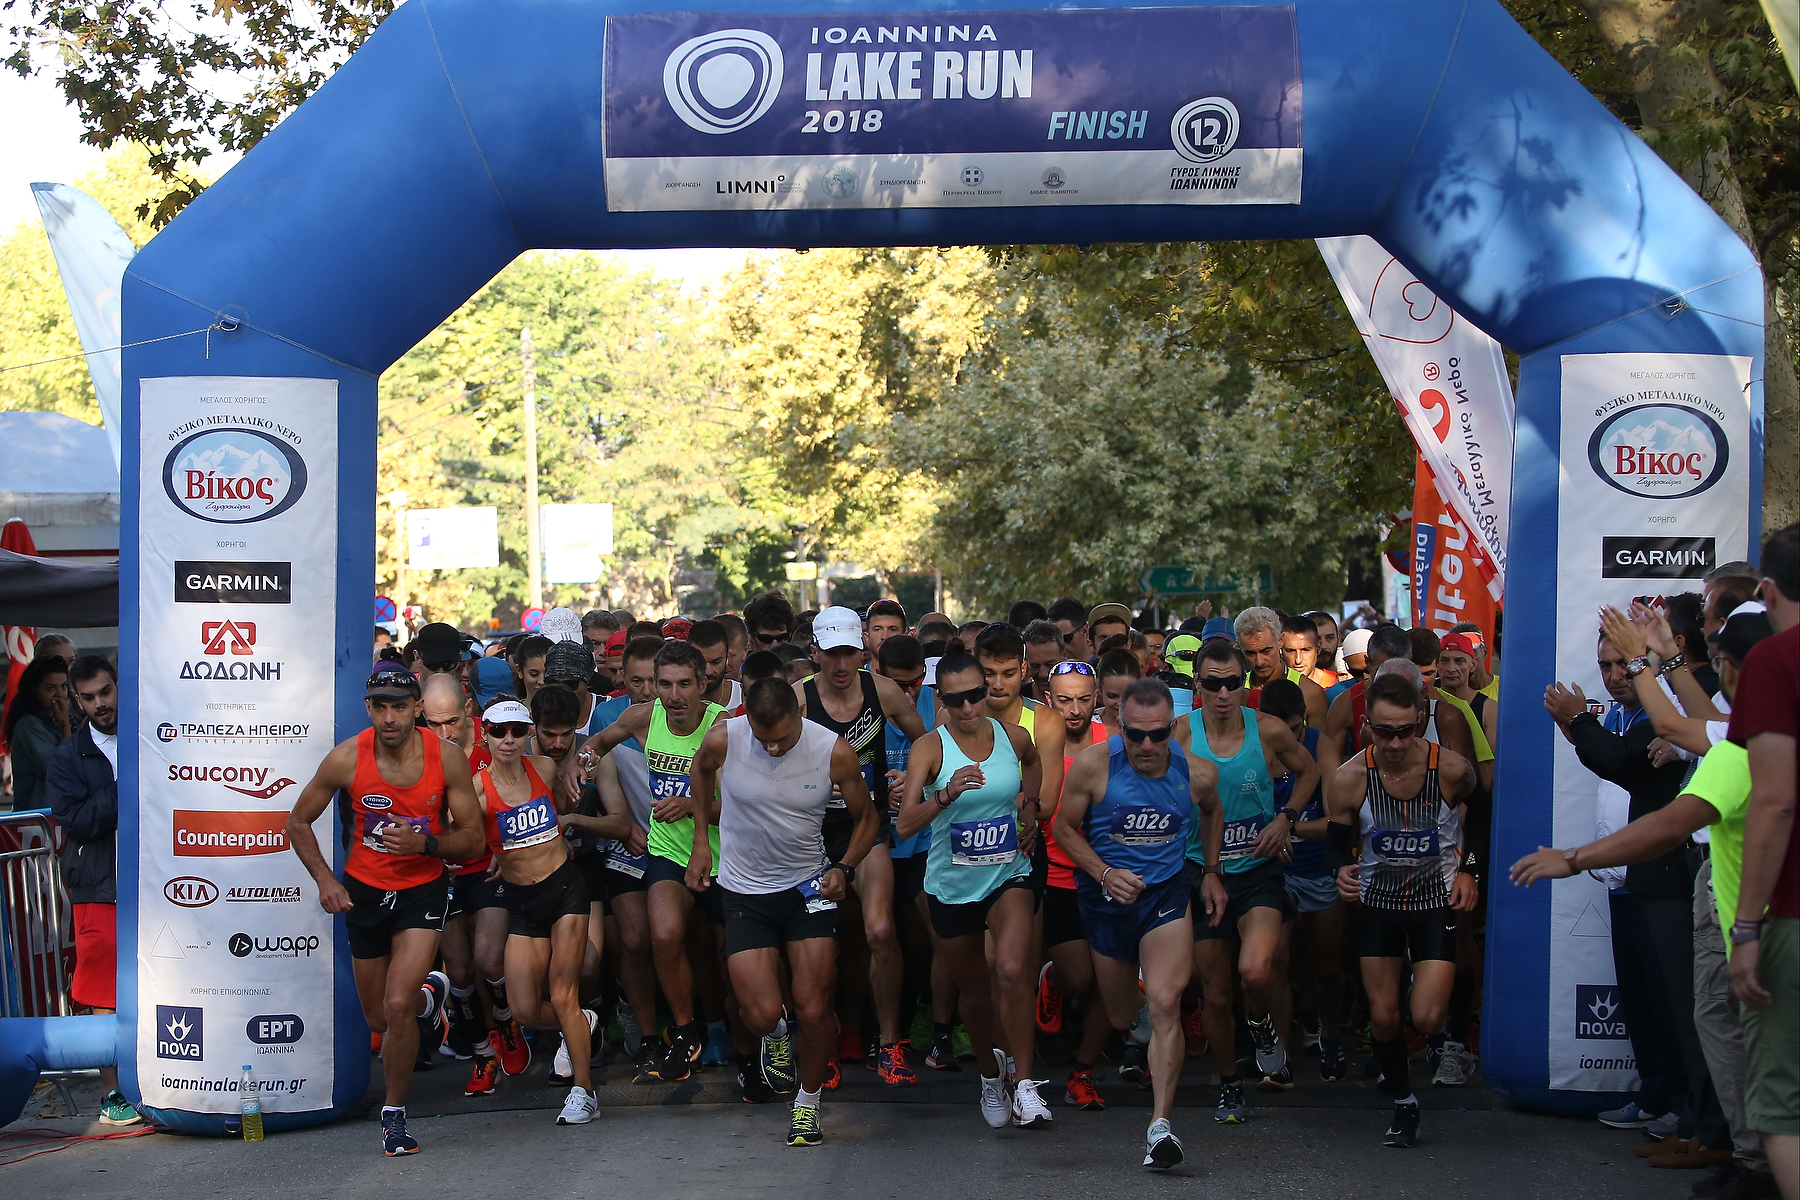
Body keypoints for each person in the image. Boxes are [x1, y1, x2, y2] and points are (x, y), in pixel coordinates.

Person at [1512, 606, 1780, 1194]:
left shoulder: (1739, 751)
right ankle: (1743, 1156)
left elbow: (1672, 811)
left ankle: (1749, 1162)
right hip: (1758, 925)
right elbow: (1685, 730)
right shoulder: (1740, 743)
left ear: (1732, 672)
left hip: (1748, 925)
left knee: (1739, 1048)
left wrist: (1576, 857)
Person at [284, 664, 486, 1155]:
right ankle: (430, 1000)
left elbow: (475, 839)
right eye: (381, 707)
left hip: (423, 892)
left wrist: (426, 843)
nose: (390, 717)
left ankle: (393, 1115)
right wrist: (326, 880)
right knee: (380, 1019)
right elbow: (297, 821)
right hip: (365, 893)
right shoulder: (348, 757)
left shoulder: (446, 758)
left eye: (400, 706)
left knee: (396, 1005)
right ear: (368, 708)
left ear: (417, 708)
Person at [1546, 628, 1727, 1158]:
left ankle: (1698, 1121)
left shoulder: (1672, 709)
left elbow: (1627, 764)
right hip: (1630, 880)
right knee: (1645, 1002)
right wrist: (1578, 728)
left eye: (1623, 664)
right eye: (1604, 667)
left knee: (1686, 1009)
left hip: (1673, 876)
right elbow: (1615, 764)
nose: (1614, 677)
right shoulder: (1625, 715)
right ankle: (1662, 1098)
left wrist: (1579, 722)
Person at [686, 678, 880, 1145]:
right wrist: (699, 842)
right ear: (746, 717)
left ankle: (807, 1105)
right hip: (744, 891)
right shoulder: (724, 738)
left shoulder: (831, 750)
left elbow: (868, 817)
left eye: (782, 739)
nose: (772, 748)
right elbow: (700, 770)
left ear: (799, 712)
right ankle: (774, 1033)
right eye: (762, 737)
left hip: (805, 888)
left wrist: (846, 868)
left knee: (814, 1009)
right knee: (757, 1012)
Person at [1053, 677, 1223, 1170]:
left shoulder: (1198, 774)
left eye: (1159, 734)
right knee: (1128, 1016)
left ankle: (1160, 1126)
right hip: (1106, 899)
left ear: (1173, 728)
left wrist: (1211, 871)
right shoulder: (1094, 766)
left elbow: (1212, 812)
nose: (1147, 746)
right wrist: (1103, 872)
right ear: (1119, 727)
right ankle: (1121, 1006)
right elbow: (1063, 827)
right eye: (1135, 734)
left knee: (1167, 1001)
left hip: (1165, 896)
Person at [1324, 669, 1479, 1149]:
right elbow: (1335, 842)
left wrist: (1470, 869)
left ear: (1421, 721)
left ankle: (1430, 1003)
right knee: (1386, 1017)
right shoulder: (1351, 777)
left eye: (1405, 730)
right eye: (1383, 730)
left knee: (1428, 1018)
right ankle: (1404, 1104)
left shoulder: (1450, 769)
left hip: (1435, 903)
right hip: (1379, 905)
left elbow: (1485, 812)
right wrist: (1340, 870)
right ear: (1368, 723)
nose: (1394, 742)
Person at [559, 640, 728, 1080]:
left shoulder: (723, 728)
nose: (674, 696)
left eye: (684, 685)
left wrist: (694, 806)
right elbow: (598, 742)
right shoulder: (641, 717)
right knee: (664, 935)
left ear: (702, 684)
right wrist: (583, 763)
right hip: (669, 851)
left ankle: (756, 1038)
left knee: (735, 956)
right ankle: (686, 1031)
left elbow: (749, 806)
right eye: (665, 685)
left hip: (728, 854)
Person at [895, 651, 1048, 1130]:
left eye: (975, 696)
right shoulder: (930, 749)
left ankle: (1025, 1084)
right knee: (976, 996)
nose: (967, 708)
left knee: (1012, 967)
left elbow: (1034, 763)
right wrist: (946, 793)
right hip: (953, 886)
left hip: (1010, 871)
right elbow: (903, 826)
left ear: (987, 690)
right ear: (941, 699)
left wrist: (1029, 808)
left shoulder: (1011, 735)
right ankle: (989, 1074)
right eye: (956, 699)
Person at [1175, 639, 1317, 1114]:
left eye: (1232, 683)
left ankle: (1258, 1022)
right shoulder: (1180, 735)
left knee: (1256, 971)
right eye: (1212, 684)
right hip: (1201, 874)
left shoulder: (1269, 730)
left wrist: (1287, 818)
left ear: (1244, 685)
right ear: (1198, 686)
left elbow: (1310, 772)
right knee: (1214, 995)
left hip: (1257, 870)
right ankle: (1230, 1082)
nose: (1222, 693)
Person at [798, 605, 927, 1084]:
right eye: (830, 654)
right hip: (810, 833)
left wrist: (907, 777)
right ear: (815, 652)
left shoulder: (884, 691)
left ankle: (890, 1044)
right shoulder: (799, 699)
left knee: (879, 930)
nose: (839, 664)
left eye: (849, 652)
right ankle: (824, 1042)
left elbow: (929, 743)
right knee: (821, 944)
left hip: (865, 823)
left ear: (863, 650)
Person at [1726, 522, 1799, 1200]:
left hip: (1793, 914)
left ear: (1769, 592)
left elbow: (1775, 803)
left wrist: (1746, 929)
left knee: (1781, 1101)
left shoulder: (1775, 662)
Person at [43, 656, 138, 1127]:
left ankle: (159, 1079)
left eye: (106, 692)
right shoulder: (67, 756)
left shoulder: (150, 729)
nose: (101, 704)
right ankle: (112, 1091)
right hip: (97, 886)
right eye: (90, 697)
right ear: (77, 701)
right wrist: (125, 785)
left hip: (156, 883)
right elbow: (77, 821)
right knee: (103, 989)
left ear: (117, 686)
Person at [1031, 658, 1117, 1109]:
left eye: (1084, 699)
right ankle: (1054, 982)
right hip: (1059, 876)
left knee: (1110, 980)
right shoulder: (1039, 747)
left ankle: (1083, 1071)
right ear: (1049, 700)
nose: (1075, 709)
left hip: (1108, 877)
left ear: (1098, 698)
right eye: (1064, 700)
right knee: (1080, 978)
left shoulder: (1115, 744)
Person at [420, 675, 511, 1089]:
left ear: (469, 708)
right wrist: (437, 848)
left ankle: (508, 1022)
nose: (444, 733)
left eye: (451, 722)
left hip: (492, 867)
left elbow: (526, 797)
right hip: (445, 871)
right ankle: (482, 1053)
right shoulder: (418, 748)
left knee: (489, 958)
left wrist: (507, 852)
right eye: (434, 724)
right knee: (458, 970)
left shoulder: (496, 742)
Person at [1259, 678, 1349, 1081]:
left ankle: (1330, 1035)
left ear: (1305, 721)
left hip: (1319, 867)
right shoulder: (1251, 747)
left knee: (1328, 967)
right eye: (1276, 728)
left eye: (1293, 729)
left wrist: (1288, 829)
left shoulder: (1321, 747)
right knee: (1276, 962)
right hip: (1276, 871)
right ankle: (1280, 1055)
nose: (1285, 737)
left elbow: (1339, 823)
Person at [1236, 607, 1327, 727]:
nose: (1259, 662)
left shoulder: (1311, 693)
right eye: (1250, 653)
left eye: (1266, 651)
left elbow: (1317, 744)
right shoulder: (1234, 691)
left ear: (1280, 640)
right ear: (1240, 647)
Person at [6, 656, 68, 809]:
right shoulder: (29, 726)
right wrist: (65, 725)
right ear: (34, 690)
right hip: (37, 820)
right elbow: (60, 771)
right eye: (51, 688)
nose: (59, 694)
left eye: (64, 686)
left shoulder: (54, 721)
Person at [1281, 614, 1338, 689]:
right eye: (1291, 651)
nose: (1298, 660)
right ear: (1280, 649)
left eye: (1305, 650)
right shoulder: (1271, 687)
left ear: (1318, 647)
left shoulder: (1336, 683)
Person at [1022, 619, 1067, 702]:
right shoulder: (1018, 699)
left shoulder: (1084, 694)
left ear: (1064, 655)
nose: (1043, 674)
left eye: (1050, 665)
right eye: (1035, 666)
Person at [1048, 597, 1094, 663]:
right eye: (1056, 641)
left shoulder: (1104, 670)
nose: (1062, 645)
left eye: (1067, 638)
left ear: (1085, 631)